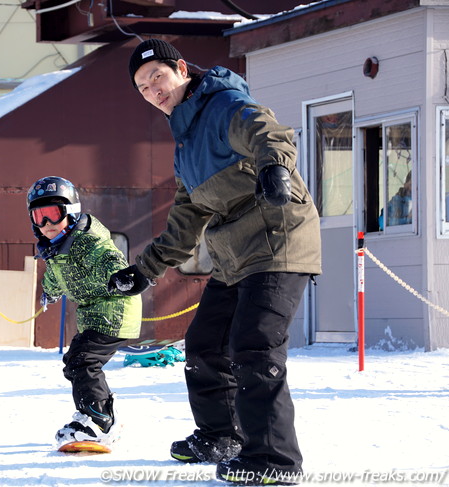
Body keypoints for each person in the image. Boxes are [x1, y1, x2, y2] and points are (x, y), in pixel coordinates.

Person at [108, 39, 322, 484]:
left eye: (158, 78)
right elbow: (186, 220)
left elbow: (269, 132)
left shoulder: (224, 104)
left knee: (255, 345)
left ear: (181, 69)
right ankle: (221, 435)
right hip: (234, 255)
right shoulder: (185, 145)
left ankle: (275, 460)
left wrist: (274, 168)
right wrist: (145, 269)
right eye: (143, 87)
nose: (153, 90)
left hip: (278, 239)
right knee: (205, 344)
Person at [27, 176, 142, 447]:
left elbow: (107, 256)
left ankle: (100, 421)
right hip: (95, 313)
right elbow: (56, 275)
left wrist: (121, 276)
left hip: (114, 309)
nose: (46, 225)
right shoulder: (54, 248)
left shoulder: (85, 240)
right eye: (39, 216)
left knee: (83, 361)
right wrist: (50, 291)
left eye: (53, 215)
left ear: (71, 212)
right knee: (76, 362)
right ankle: (91, 412)